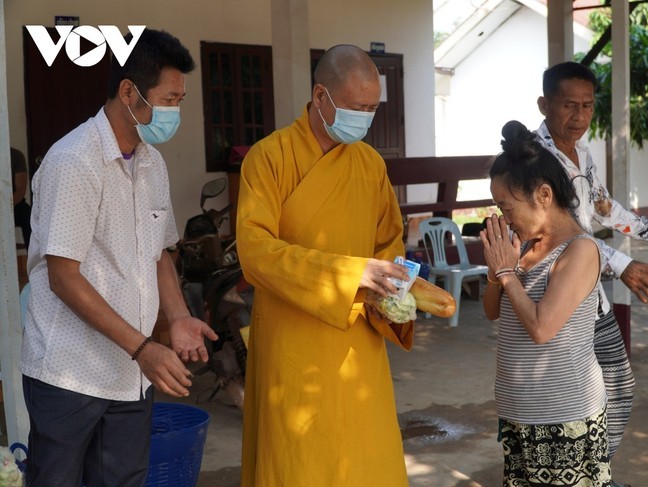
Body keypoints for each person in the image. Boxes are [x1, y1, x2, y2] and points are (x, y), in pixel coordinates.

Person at [20, 29, 218, 487]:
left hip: (130, 375)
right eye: (169, 99)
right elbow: (63, 277)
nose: (175, 113)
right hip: (70, 373)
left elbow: (158, 253)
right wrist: (144, 347)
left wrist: (178, 316)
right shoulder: (74, 161)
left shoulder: (151, 162)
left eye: (180, 101)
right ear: (128, 91)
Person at [235, 44, 412, 487]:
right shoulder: (268, 157)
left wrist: (398, 291)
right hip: (291, 343)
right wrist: (350, 274)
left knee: (366, 458)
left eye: (373, 108)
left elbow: (389, 241)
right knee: (298, 462)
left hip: (358, 337)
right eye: (356, 107)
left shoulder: (369, 164)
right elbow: (254, 251)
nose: (366, 118)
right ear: (320, 95)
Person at [534, 62, 648, 477]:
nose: (580, 117)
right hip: (552, 297)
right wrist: (624, 265)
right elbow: (560, 236)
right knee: (568, 398)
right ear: (544, 104)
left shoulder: (582, 153)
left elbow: (604, 210)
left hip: (590, 295)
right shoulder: (533, 161)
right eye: (569, 105)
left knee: (616, 387)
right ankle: (574, 475)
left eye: (588, 106)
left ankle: (592, 472)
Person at [481, 120, 610, 486]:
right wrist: (496, 270)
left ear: (543, 195)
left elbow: (542, 328)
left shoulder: (580, 250)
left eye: (506, 206)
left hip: (564, 417)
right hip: (520, 411)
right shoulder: (522, 247)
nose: (503, 216)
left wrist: (506, 273)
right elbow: (493, 311)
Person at [11, 147, 32, 249]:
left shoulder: (15, 155)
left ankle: (33, 260)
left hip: (13, 204)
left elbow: (20, 190)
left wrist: (5, 208)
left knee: (29, 217)